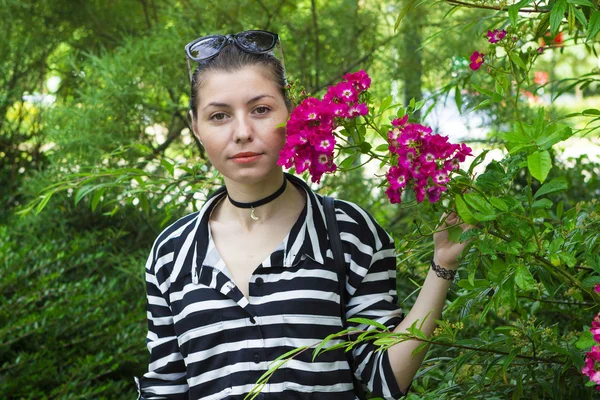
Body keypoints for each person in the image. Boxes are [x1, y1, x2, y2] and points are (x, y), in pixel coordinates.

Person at [135, 30, 471, 400]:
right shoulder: (172, 253)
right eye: (219, 116)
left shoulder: (348, 233)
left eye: (261, 109)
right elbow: (164, 389)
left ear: (290, 111)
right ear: (196, 127)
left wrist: (443, 265)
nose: (243, 132)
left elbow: (386, 378)